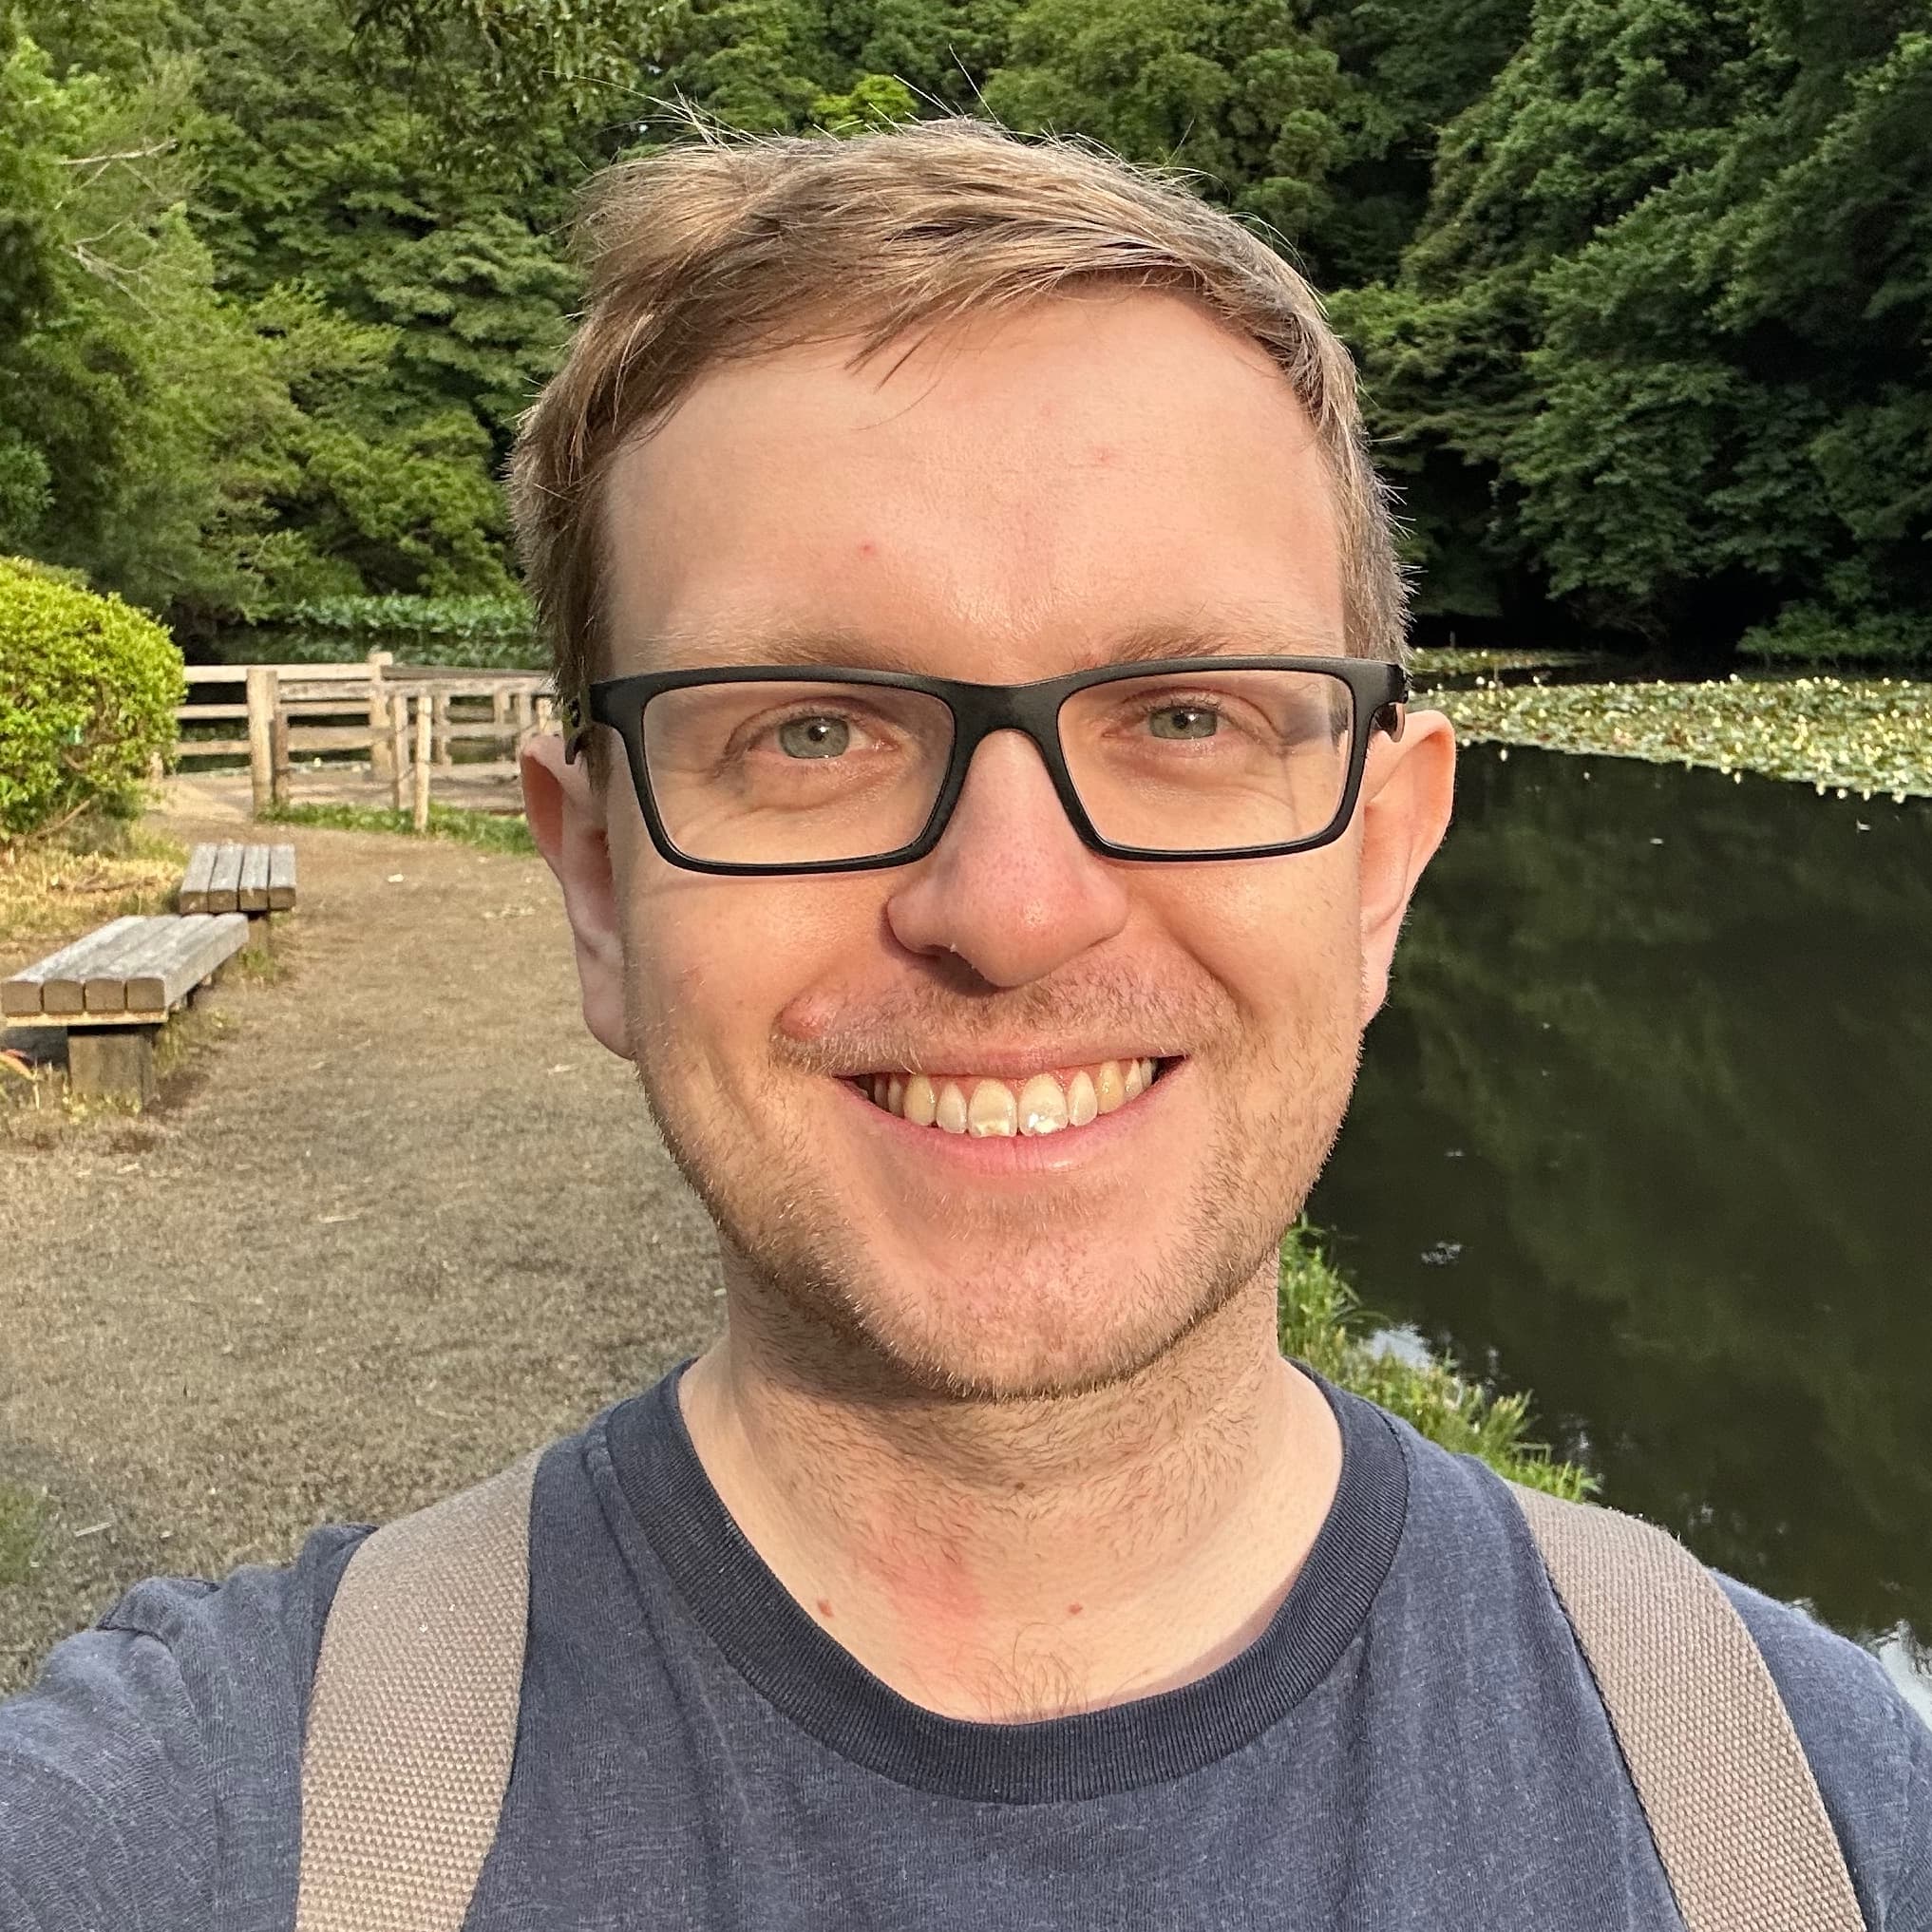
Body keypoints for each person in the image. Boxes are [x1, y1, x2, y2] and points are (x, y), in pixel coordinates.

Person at [3, 116, 1926, 1929]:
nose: (1010, 912)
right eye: (810, 731)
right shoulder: (193, 1827)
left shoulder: (1811, 1821)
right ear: (595, 879)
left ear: (1378, 864)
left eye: (1186, 716)